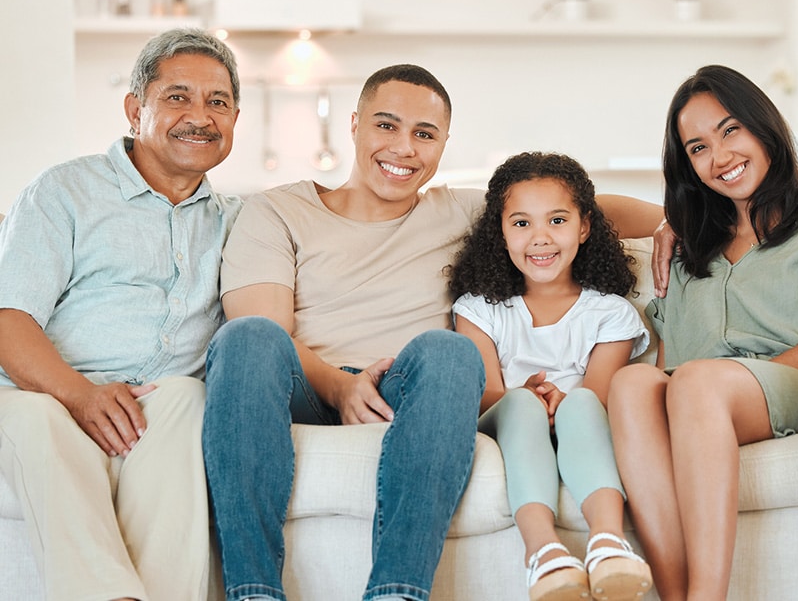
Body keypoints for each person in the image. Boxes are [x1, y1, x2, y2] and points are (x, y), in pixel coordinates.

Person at [202, 65, 664, 601]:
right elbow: (263, 330)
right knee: (246, 339)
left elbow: (576, 209)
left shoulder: (463, 211)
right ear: (354, 125)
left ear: (444, 144)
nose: (404, 148)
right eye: (386, 125)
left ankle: (398, 591)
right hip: (301, 386)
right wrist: (339, 386)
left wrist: (676, 218)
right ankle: (253, 591)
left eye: (424, 134)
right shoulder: (278, 210)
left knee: (449, 352)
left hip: (411, 391)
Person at [609, 64, 798, 600]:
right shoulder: (688, 244)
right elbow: (581, 207)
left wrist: (725, 380)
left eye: (731, 130)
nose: (720, 156)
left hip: (794, 385)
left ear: (764, 128)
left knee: (698, 383)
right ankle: (674, 591)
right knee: (631, 385)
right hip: (692, 394)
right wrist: (667, 220)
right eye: (698, 147)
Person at [0, 28, 241, 600]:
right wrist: (80, 394)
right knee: (37, 420)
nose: (200, 117)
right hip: (43, 393)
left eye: (218, 102)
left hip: (156, 403)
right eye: (178, 96)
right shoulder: (64, 191)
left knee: (186, 396)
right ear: (136, 109)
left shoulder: (239, 222)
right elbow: (7, 320)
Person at [448, 152, 654, 601]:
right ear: (500, 233)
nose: (540, 238)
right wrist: (526, 396)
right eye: (521, 223)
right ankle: (544, 551)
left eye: (557, 220)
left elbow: (598, 397)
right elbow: (488, 397)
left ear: (584, 227)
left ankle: (608, 541)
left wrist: (563, 400)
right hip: (510, 419)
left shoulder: (610, 314)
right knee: (520, 402)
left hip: (580, 421)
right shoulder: (479, 310)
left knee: (580, 401)